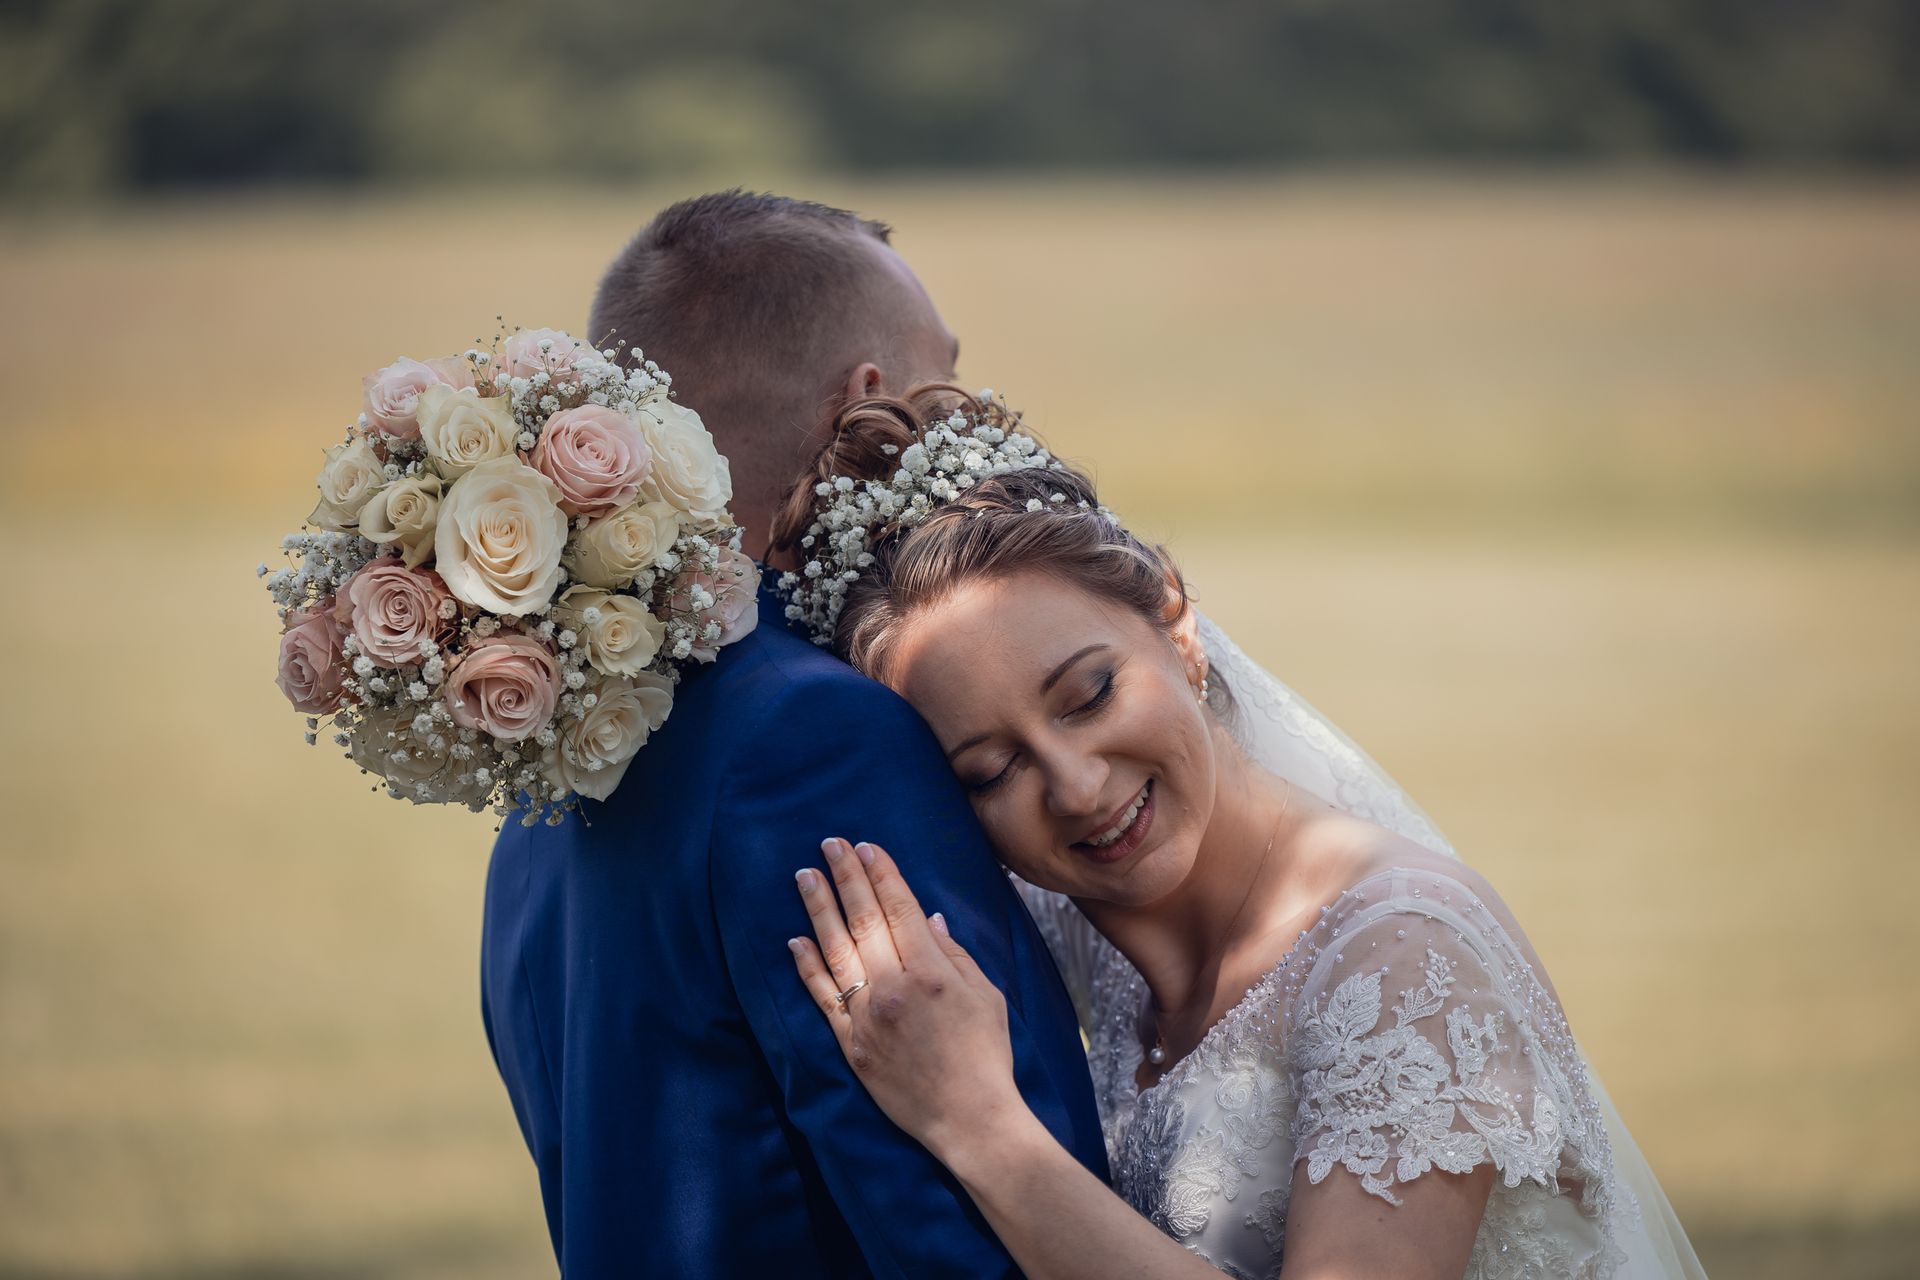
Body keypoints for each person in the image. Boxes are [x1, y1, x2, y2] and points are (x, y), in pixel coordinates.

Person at [774, 387, 1709, 1278]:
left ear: (1175, 622)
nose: (1078, 787)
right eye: (992, 771)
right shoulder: (1073, 922)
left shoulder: (1405, 965)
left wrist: (978, 1126)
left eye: (1091, 694)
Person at [478, 194, 1108, 1277]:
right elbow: (962, 1232)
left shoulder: (552, 777)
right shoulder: (816, 737)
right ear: (866, 398)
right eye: (944, 372)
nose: (966, 413)